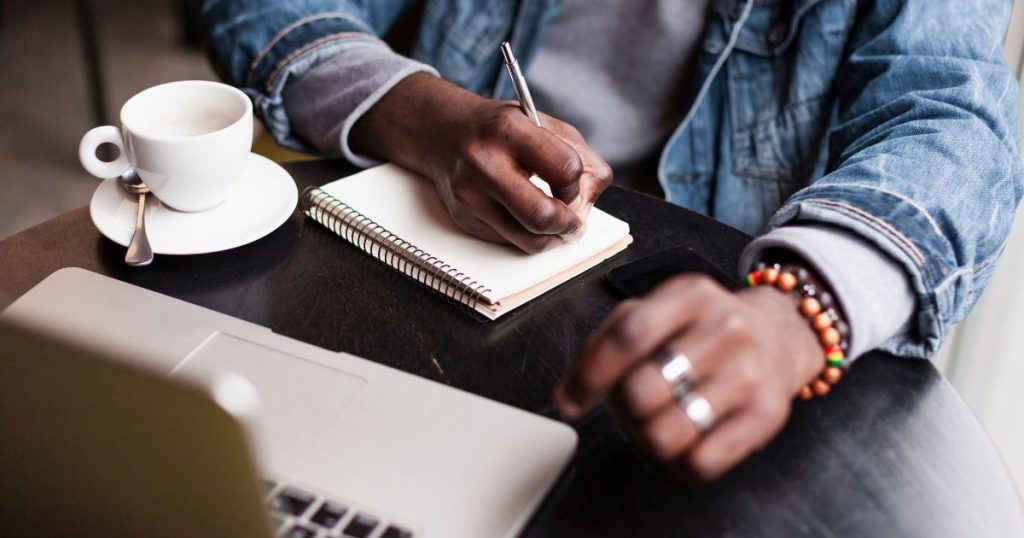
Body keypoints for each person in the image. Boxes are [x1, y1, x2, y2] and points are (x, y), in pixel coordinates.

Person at [202, 0, 1023, 480]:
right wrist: (435, 120)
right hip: (431, 263)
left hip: (726, 312)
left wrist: (798, 312)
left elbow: (953, 116)